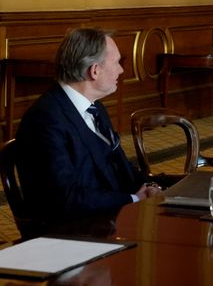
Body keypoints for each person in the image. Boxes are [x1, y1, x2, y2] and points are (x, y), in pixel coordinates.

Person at [15, 28, 161, 231]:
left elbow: (118, 164)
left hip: (108, 218)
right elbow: (63, 198)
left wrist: (151, 188)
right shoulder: (45, 120)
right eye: (117, 62)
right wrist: (133, 198)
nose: (121, 70)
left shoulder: (95, 107)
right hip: (71, 232)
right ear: (95, 70)